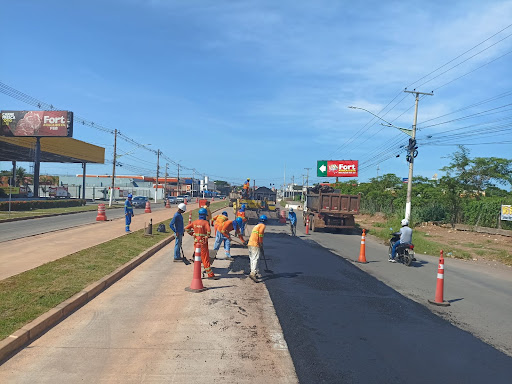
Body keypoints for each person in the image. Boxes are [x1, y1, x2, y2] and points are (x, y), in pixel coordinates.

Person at [185, 207, 218, 279]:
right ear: (205, 215)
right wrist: (206, 236)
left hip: (196, 242)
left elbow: (187, 228)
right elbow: (209, 231)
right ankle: (210, 274)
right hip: (203, 243)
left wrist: (192, 234)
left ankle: (197, 272)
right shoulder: (205, 222)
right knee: (205, 258)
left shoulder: (195, 222)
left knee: (197, 257)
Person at [248, 215, 267, 280]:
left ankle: (252, 272)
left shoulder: (256, 226)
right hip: (255, 244)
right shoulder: (262, 226)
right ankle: (253, 274)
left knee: (252, 259)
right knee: (256, 259)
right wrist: (261, 243)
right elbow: (260, 234)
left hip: (250, 243)